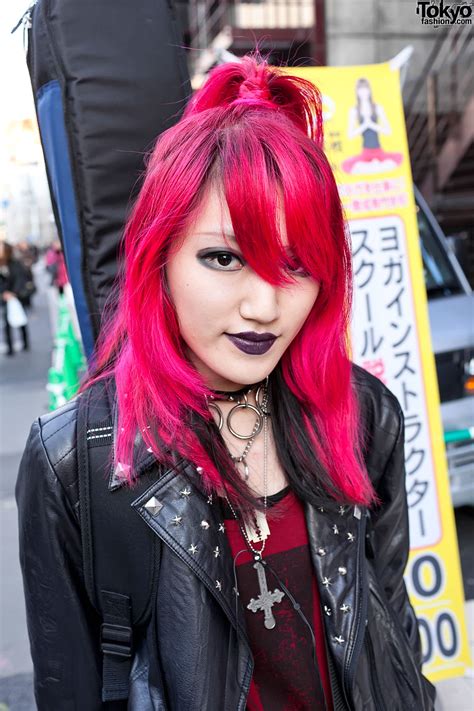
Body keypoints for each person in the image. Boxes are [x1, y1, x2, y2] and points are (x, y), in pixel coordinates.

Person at [16, 56, 435, 710]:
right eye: (225, 257)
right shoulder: (77, 461)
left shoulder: (360, 413)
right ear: (160, 257)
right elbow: (69, 687)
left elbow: (390, 623)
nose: (264, 306)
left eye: (296, 265)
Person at [342, 77, 403, 175]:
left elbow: (388, 131)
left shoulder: (377, 107)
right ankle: (373, 165)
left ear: (369, 90)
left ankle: (376, 165)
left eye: (365, 89)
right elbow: (350, 135)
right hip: (365, 152)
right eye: (361, 89)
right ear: (357, 91)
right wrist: (364, 126)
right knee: (350, 167)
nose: (363, 92)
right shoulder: (354, 110)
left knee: (392, 162)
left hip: (379, 151)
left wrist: (372, 125)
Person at [0, 241, 30, 355]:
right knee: (6, 322)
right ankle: (10, 347)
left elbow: (20, 279)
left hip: (17, 296)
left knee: (21, 319)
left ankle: (25, 342)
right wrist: (4, 293)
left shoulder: (15, 263)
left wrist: (13, 293)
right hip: (5, 297)